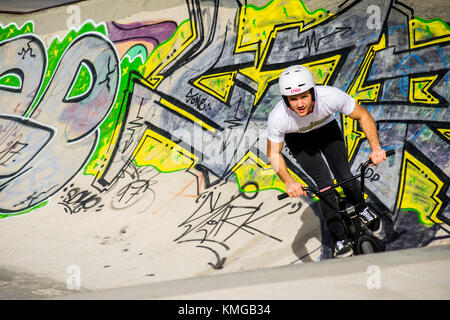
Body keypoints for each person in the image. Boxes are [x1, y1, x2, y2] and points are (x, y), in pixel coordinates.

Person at [266, 65, 387, 258]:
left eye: (304, 96)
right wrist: (289, 182)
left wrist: (376, 147)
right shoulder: (278, 117)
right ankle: (338, 237)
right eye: (293, 99)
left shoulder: (330, 96)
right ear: (285, 99)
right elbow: (273, 153)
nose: (299, 104)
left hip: (327, 130)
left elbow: (362, 115)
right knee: (325, 187)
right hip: (299, 140)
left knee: (345, 175)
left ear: (313, 92)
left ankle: (362, 208)